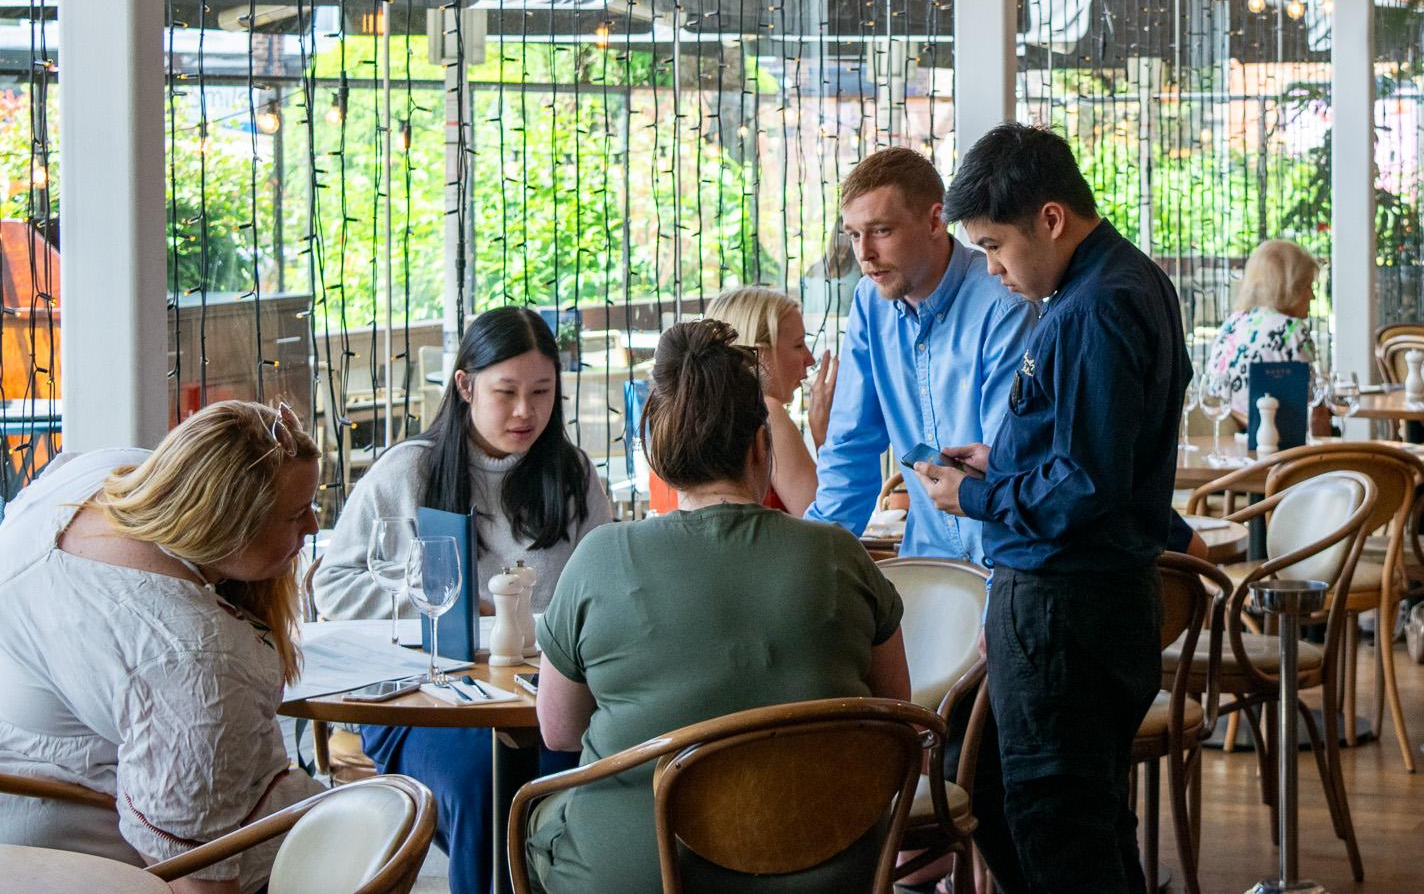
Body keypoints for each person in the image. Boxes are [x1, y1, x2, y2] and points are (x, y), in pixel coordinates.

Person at [528, 319, 910, 894]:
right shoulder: (838, 554)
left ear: (658, 445)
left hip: (644, 871)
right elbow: (895, 717)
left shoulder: (602, 558)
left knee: (536, 818)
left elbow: (558, 730)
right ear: (762, 445)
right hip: (829, 868)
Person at [912, 122, 1196, 894]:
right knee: (1050, 810)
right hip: (1083, 604)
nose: (994, 269)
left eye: (997, 245)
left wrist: (973, 494)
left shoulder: (1095, 306)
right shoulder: (1122, 283)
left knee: (1055, 821)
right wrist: (1000, 460)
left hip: (1067, 609)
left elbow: (1084, 486)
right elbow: (1088, 449)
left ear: (1050, 219)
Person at [314, 305, 613, 894]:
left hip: (542, 697)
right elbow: (335, 584)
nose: (526, 411)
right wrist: (448, 606)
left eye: (542, 392)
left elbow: (602, 588)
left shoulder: (571, 474)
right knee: (485, 785)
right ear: (464, 385)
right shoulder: (411, 470)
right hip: (428, 699)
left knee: (584, 777)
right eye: (506, 392)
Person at [0, 401, 322, 893]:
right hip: (83, 843)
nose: (314, 528)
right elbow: (194, 875)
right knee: (379, 825)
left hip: (28, 784)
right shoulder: (193, 660)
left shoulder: (104, 474)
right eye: (296, 514)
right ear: (227, 524)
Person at [806, 145, 1035, 563]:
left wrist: (999, 612)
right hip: (926, 563)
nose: (864, 254)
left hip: (1001, 564)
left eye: (880, 231)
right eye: (853, 235)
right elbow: (850, 447)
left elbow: (1009, 470)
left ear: (935, 219)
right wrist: (808, 567)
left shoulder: (1004, 305)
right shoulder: (869, 302)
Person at [702, 285, 824, 513]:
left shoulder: (695, 412)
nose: (810, 358)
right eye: (799, 345)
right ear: (759, 354)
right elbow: (827, 525)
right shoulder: (766, 411)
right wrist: (826, 437)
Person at [1199, 237, 1330, 432]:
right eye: (1308, 286)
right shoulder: (1291, 331)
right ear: (1290, 288)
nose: (1312, 296)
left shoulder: (1233, 324)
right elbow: (1314, 411)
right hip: (1277, 450)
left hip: (1228, 443)